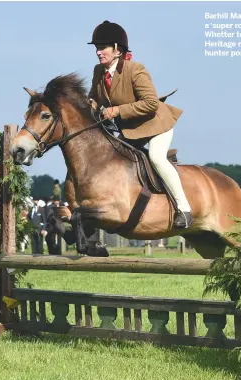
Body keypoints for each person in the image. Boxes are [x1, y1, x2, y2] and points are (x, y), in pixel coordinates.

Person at [87, 20, 192, 229]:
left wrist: (117, 110)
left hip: (155, 124)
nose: (98, 52)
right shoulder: (98, 72)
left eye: (102, 48)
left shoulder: (136, 69)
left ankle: (184, 209)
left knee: (156, 158)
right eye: (97, 48)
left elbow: (151, 103)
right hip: (130, 129)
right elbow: (93, 99)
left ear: (117, 49)